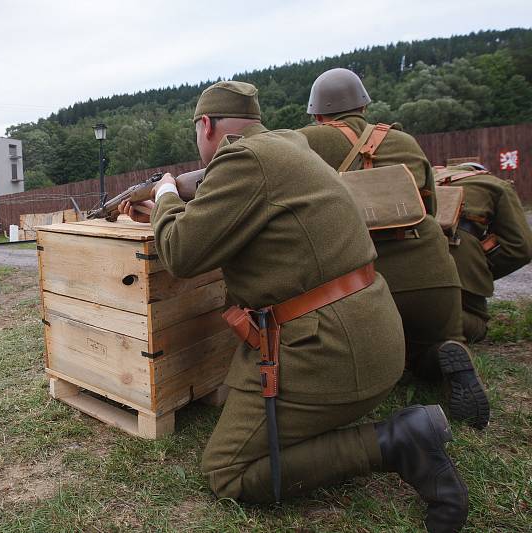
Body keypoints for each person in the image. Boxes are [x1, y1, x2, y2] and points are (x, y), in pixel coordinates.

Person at [120, 81, 468, 532]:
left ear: (205, 125)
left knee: (227, 472)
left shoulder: (242, 160)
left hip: (329, 349)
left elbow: (182, 254)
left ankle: (398, 443)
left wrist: (165, 194)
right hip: (374, 335)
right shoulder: (289, 145)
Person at [298, 68, 489, 429]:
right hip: (432, 268)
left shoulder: (306, 141)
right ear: (364, 106)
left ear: (317, 114)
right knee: (434, 345)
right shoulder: (405, 142)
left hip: (364, 281)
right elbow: (429, 208)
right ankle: (449, 352)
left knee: (373, 351)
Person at [436, 162, 532, 342]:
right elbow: (520, 248)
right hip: (458, 252)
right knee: (476, 325)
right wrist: (482, 270)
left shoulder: (424, 177)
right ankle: (434, 326)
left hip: (403, 256)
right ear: (481, 172)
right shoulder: (494, 184)